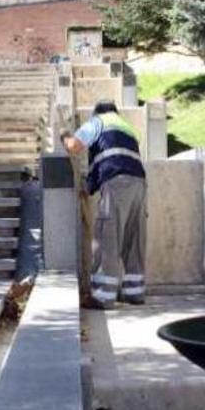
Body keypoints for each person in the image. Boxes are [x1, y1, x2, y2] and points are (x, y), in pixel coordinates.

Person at [61, 100, 147, 309]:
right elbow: (108, 156)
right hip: (139, 184)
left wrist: (64, 136)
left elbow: (74, 147)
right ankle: (134, 293)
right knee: (133, 238)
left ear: (96, 112)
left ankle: (103, 296)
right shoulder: (127, 128)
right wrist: (89, 187)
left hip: (116, 183)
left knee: (108, 237)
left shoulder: (98, 122)